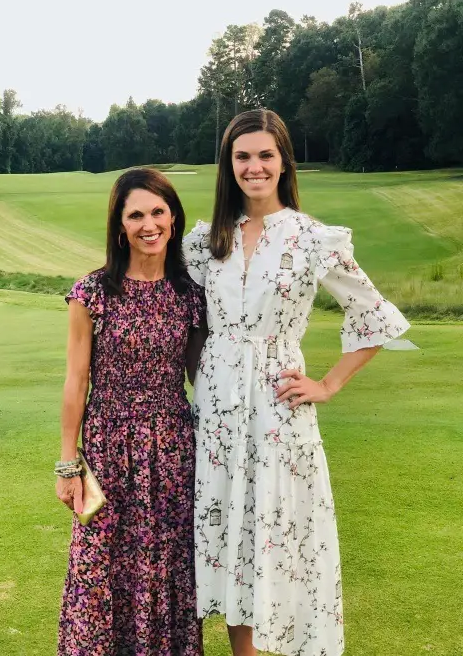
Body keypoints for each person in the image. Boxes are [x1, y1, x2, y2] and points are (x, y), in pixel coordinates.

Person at [183, 109, 410, 656]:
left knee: (275, 542)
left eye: (265, 155)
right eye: (242, 156)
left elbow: (376, 316)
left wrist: (327, 385)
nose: (254, 167)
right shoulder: (207, 240)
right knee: (228, 545)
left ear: (283, 161)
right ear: (228, 164)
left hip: (280, 416)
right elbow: (189, 326)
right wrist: (201, 383)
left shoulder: (312, 239)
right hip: (215, 418)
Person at [57, 168, 206, 655]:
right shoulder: (92, 293)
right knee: (100, 565)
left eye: (158, 212)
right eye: (135, 214)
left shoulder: (189, 295)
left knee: (165, 566)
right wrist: (67, 462)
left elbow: (201, 376)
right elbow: (76, 380)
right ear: (120, 225)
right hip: (107, 448)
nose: (149, 224)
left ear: (174, 219)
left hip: (172, 450)